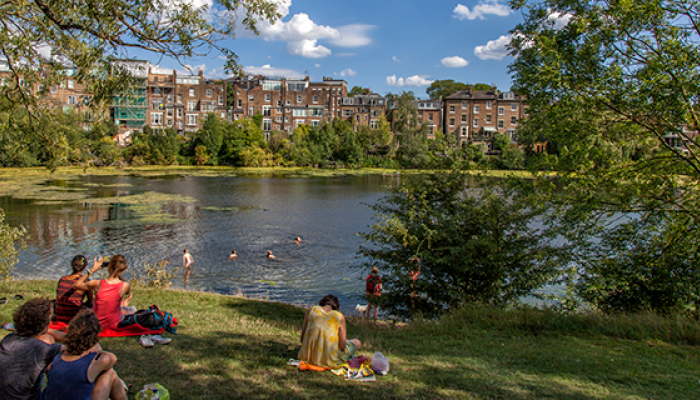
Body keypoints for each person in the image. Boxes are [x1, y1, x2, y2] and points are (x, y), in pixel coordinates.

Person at [43, 309, 127, 400]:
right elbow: (113, 358)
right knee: (109, 373)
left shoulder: (55, 360)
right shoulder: (92, 363)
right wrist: (98, 351)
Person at [0, 297, 65, 400]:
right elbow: (76, 347)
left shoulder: (8, 339)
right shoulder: (43, 349)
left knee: (48, 338)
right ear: (45, 325)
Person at [298, 294, 361, 368]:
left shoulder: (311, 310)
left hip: (307, 356)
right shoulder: (339, 317)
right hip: (329, 360)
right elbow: (342, 347)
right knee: (357, 342)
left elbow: (302, 339)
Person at [73, 255, 131, 331]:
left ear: (109, 267)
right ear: (124, 268)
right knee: (128, 309)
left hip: (95, 323)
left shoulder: (96, 283)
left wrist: (92, 270)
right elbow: (127, 292)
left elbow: (76, 285)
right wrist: (117, 272)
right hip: (113, 324)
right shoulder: (125, 286)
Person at [54, 255, 96, 324]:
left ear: (72, 265)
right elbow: (90, 302)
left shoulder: (62, 279)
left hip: (59, 316)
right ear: (84, 267)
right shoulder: (85, 281)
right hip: (74, 319)